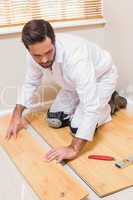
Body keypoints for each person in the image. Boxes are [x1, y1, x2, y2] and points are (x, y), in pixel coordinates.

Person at [5, 19, 127, 163]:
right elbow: (31, 83)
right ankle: (86, 104)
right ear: (29, 50)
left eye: (48, 52)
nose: (44, 60)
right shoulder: (34, 54)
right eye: (37, 56)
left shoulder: (76, 57)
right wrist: (16, 115)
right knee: (55, 120)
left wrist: (74, 148)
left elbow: (91, 107)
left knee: (77, 128)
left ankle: (111, 103)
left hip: (100, 79)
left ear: (54, 41)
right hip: (73, 85)